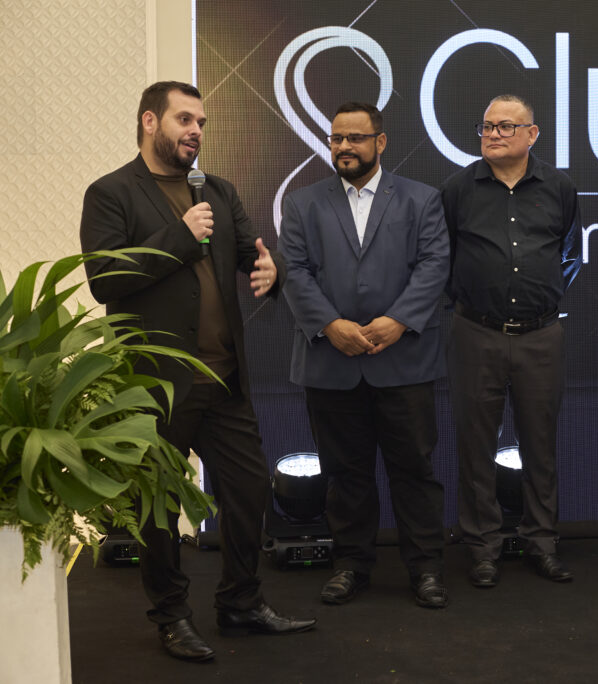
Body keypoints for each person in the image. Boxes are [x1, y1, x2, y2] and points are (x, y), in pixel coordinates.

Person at [79, 81, 315, 662]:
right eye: (185, 119)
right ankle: (171, 615)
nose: (196, 132)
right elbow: (106, 279)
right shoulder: (111, 193)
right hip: (156, 384)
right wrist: (179, 237)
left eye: (202, 123)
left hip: (224, 378)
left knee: (249, 489)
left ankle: (240, 602)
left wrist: (273, 271)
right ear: (149, 121)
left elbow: (251, 255)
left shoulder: (217, 190)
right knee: (159, 507)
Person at [279, 102, 450, 609]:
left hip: (405, 360)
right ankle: (351, 565)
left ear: (381, 142)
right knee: (344, 474)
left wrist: (399, 320)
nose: (344, 147)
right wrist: (330, 325)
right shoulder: (303, 203)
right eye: (337, 138)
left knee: (414, 472)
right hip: (331, 362)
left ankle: (425, 569)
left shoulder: (422, 199)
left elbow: (435, 265)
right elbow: (294, 271)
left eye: (355, 137)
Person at [441, 94, 581, 588]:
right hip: (475, 333)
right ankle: (483, 547)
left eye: (505, 126)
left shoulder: (559, 188)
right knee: (475, 445)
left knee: (540, 446)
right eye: (487, 126)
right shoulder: (458, 188)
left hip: (541, 335)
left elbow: (569, 254)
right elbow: (443, 258)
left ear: (532, 134)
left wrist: (540, 300)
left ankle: (542, 543)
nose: (493, 134)